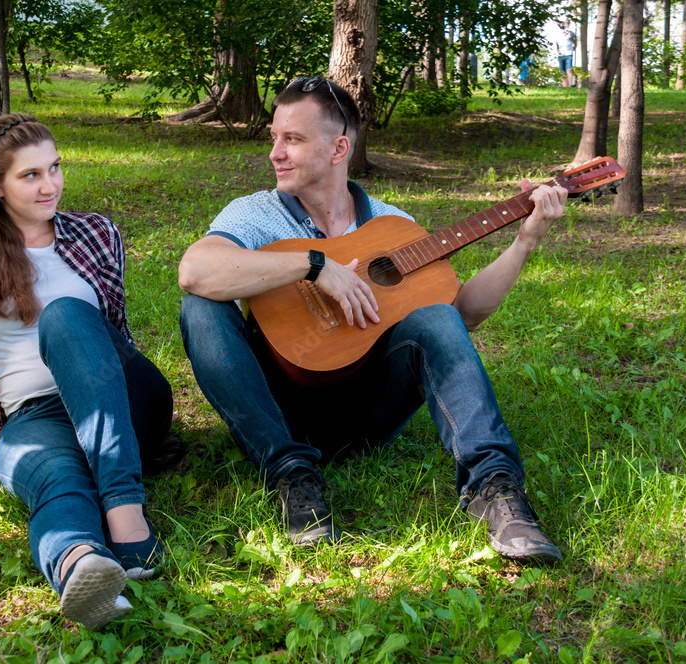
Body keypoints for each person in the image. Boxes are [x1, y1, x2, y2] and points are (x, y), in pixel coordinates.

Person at [177, 77, 568, 563]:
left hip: (367, 409)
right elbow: (195, 271)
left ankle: (494, 490)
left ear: (339, 147)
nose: (275, 152)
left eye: (292, 139)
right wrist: (315, 265)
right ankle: (291, 475)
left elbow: (461, 315)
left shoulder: (390, 227)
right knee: (201, 306)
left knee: (437, 318)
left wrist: (526, 239)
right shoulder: (256, 214)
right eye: (274, 138)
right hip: (278, 407)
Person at [0, 113, 184, 630]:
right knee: (56, 481)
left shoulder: (96, 233)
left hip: (122, 394)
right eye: (31, 175)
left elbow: (116, 329)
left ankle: (125, 513)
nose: (50, 185)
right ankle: (78, 565)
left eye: (55, 168)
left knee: (65, 316)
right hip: (34, 414)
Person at [556, 21, 577, 88]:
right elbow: (557, 44)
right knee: (562, 71)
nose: (562, 24)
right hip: (561, 54)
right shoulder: (557, 33)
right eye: (561, 23)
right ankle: (565, 85)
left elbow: (575, 41)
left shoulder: (570, 33)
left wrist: (574, 47)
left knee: (569, 70)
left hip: (569, 53)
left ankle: (571, 84)